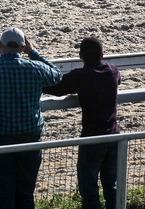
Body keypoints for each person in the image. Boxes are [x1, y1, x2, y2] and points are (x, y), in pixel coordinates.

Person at [0, 27, 62, 209]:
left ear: (0, 45)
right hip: (30, 140)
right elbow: (56, 74)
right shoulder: (36, 68)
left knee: (2, 196)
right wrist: (33, 52)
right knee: (25, 194)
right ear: (23, 47)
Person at [42, 37, 121, 209]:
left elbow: (55, 89)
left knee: (89, 188)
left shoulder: (80, 76)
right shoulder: (112, 71)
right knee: (112, 187)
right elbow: (115, 82)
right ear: (102, 55)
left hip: (91, 138)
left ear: (80, 56)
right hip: (114, 136)